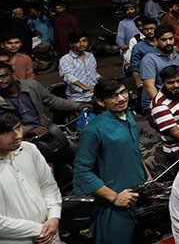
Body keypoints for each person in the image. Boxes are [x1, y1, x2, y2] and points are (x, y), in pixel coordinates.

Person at [73, 79, 151, 244]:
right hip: (114, 205)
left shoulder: (128, 115)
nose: (121, 99)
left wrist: (148, 176)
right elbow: (82, 172)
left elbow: (134, 150)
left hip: (139, 194)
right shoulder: (94, 131)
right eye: (112, 96)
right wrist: (114, 197)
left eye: (123, 92)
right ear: (101, 102)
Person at [0, 108, 63, 244]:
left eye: (18, 128)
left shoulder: (29, 149)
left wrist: (54, 216)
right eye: (7, 132)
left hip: (50, 235)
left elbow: (48, 186)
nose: (17, 135)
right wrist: (38, 230)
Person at [140, 24, 179, 122]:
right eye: (164, 40)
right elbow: (149, 86)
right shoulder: (149, 59)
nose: (168, 42)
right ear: (156, 41)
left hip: (174, 98)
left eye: (171, 39)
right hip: (155, 105)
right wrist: (162, 109)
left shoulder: (175, 55)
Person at [59, 30, 103, 103]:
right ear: (71, 44)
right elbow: (68, 76)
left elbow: (93, 74)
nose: (82, 44)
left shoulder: (90, 57)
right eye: (77, 42)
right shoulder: (65, 60)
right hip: (77, 98)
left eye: (84, 41)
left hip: (95, 95)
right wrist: (84, 87)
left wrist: (105, 79)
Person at [129, 17, 158, 89]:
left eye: (152, 28)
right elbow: (135, 67)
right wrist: (138, 82)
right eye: (146, 29)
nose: (149, 31)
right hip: (147, 79)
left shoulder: (163, 42)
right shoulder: (138, 47)